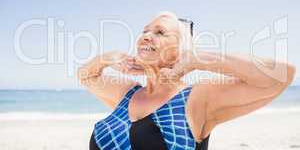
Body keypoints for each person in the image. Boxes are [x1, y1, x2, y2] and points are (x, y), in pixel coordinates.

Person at [78, 12, 296, 150]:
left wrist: (197, 60)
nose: (145, 36)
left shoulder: (196, 100)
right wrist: (107, 58)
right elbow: (86, 75)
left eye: (160, 32)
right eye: (144, 31)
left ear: (181, 50)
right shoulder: (127, 93)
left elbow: (281, 74)